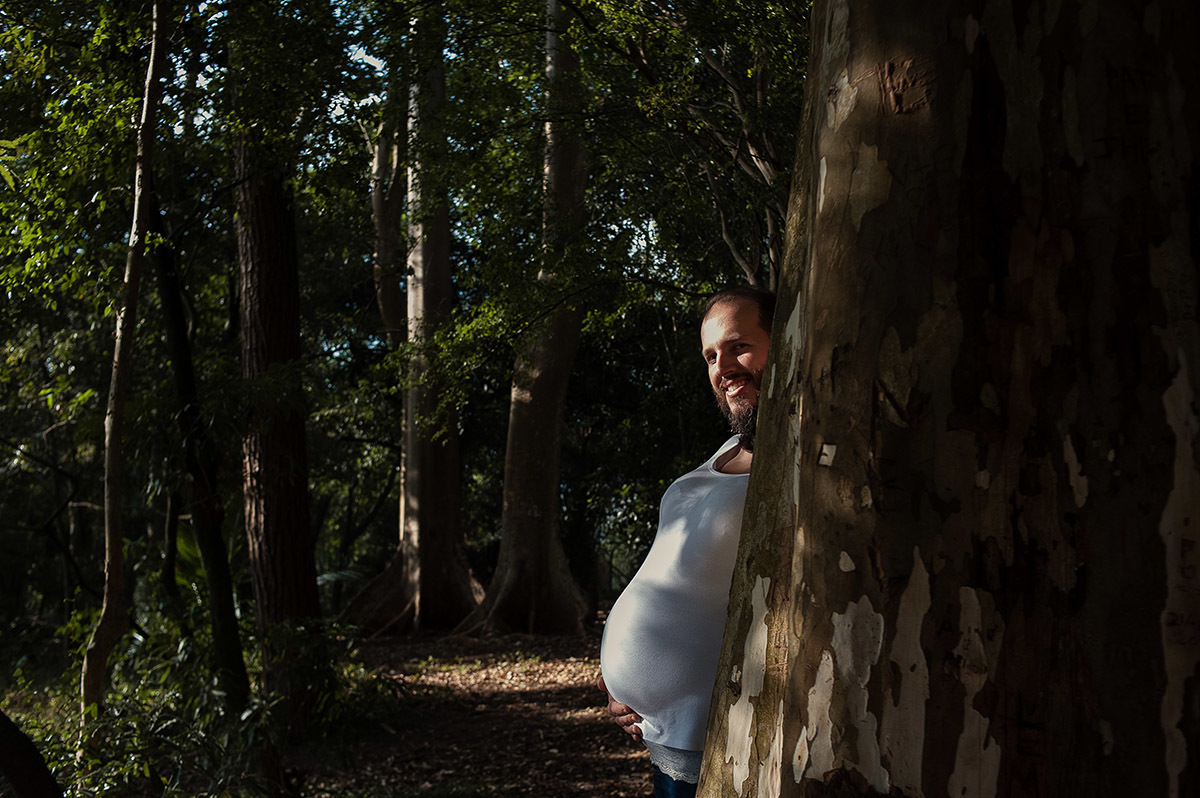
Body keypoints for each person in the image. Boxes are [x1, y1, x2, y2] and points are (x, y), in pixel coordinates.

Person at [597, 286, 774, 797]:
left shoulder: (802, 458)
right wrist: (624, 677)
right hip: (665, 736)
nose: (723, 366)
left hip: (723, 741)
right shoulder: (732, 447)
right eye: (711, 356)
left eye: (738, 345)